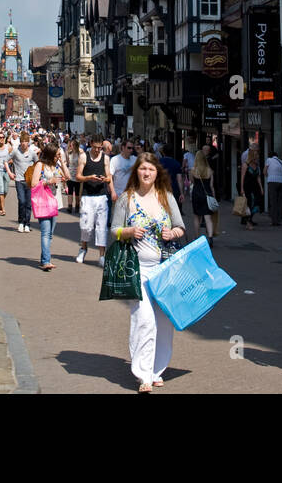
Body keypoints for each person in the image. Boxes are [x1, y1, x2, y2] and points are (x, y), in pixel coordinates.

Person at [111, 152, 185, 392]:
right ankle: (143, 375)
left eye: (151, 170)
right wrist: (129, 231)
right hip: (138, 268)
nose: (146, 173)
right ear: (137, 172)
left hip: (165, 268)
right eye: (143, 169)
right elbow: (114, 230)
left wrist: (172, 233)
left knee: (164, 321)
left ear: (157, 174)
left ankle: (157, 370)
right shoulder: (126, 199)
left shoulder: (167, 197)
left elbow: (181, 227)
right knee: (144, 320)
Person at [75, 135, 114, 265]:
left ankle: (101, 255)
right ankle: (83, 248)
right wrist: (89, 178)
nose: (97, 150)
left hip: (101, 195)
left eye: (100, 148)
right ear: (91, 144)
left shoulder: (106, 158)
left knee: (101, 227)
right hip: (87, 195)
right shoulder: (84, 157)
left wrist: (104, 179)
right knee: (86, 226)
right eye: (95, 147)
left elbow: (109, 177)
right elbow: (78, 176)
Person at [32, 145, 71, 270]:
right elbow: (33, 183)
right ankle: (46, 261)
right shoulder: (40, 165)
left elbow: (68, 176)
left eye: (59, 154)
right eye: (56, 155)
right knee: (45, 232)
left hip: (55, 202)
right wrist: (49, 181)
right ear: (50, 154)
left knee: (50, 234)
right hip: (44, 202)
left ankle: (44, 257)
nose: (58, 157)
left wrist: (62, 162)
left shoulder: (57, 165)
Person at [10, 132, 37, 233]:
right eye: (22, 141)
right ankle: (21, 222)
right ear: (20, 142)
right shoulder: (16, 152)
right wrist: (10, 173)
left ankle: (27, 224)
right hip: (19, 180)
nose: (24, 143)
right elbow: (6, 160)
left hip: (29, 181)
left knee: (28, 204)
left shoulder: (32, 153)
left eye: (26, 141)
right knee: (22, 201)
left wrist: (36, 176)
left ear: (28, 143)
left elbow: (38, 163)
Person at [191, 146, 217, 240]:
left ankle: (197, 237)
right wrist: (213, 197)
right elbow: (211, 186)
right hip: (207, 195)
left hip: (197, 194)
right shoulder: (209, 171)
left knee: (197, 217)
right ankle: (210, 237)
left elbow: (192, 182)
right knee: (208, 217)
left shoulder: (193, 170)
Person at [239, 146, 264, 228]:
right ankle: (248, 222)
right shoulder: (245, 165)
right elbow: (242, 177)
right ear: (252, 155)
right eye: (256, 155)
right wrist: (242, 188)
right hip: (247, 187)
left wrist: (261, 188)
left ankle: (249, 219)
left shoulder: (256, 165)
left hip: (255, 187)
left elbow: (258, 177)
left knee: (257, 203)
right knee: (249, 204)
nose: (257, 156)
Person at [264, 145, 282, 226]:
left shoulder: (269, 160)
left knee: (273, 201)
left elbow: (264, 171)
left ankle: (274, 221)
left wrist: (269, 175)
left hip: (272, 182)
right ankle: (279, 220)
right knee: (279, 202)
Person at [64, 138, 82, 215]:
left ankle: (77, 205)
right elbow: (67, 163)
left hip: (77, 174)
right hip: (70, 173)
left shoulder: (80, 153)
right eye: (70, 145)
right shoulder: (68, 153)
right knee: (70, 191)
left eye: (72, 145)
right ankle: (70, 206)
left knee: (77, 192)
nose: (71, 146)